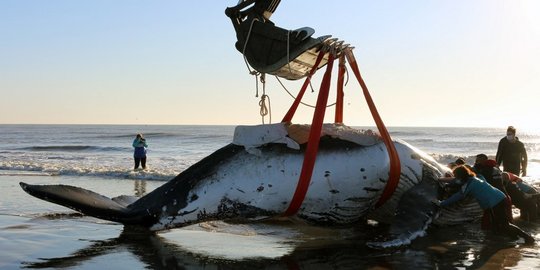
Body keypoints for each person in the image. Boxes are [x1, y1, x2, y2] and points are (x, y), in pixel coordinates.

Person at [434, 165, 535, 244]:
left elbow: (458, 195)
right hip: (499, 198)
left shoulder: (469, 185)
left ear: (461, 176)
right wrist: (441, 179)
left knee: (504, 224)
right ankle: (511, 239)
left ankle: (527, 238)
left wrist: (441, 203)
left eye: (456, 176)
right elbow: (456, 181)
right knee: (496, 225)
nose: (456, 178)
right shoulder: (475, 178)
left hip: (496, 202)